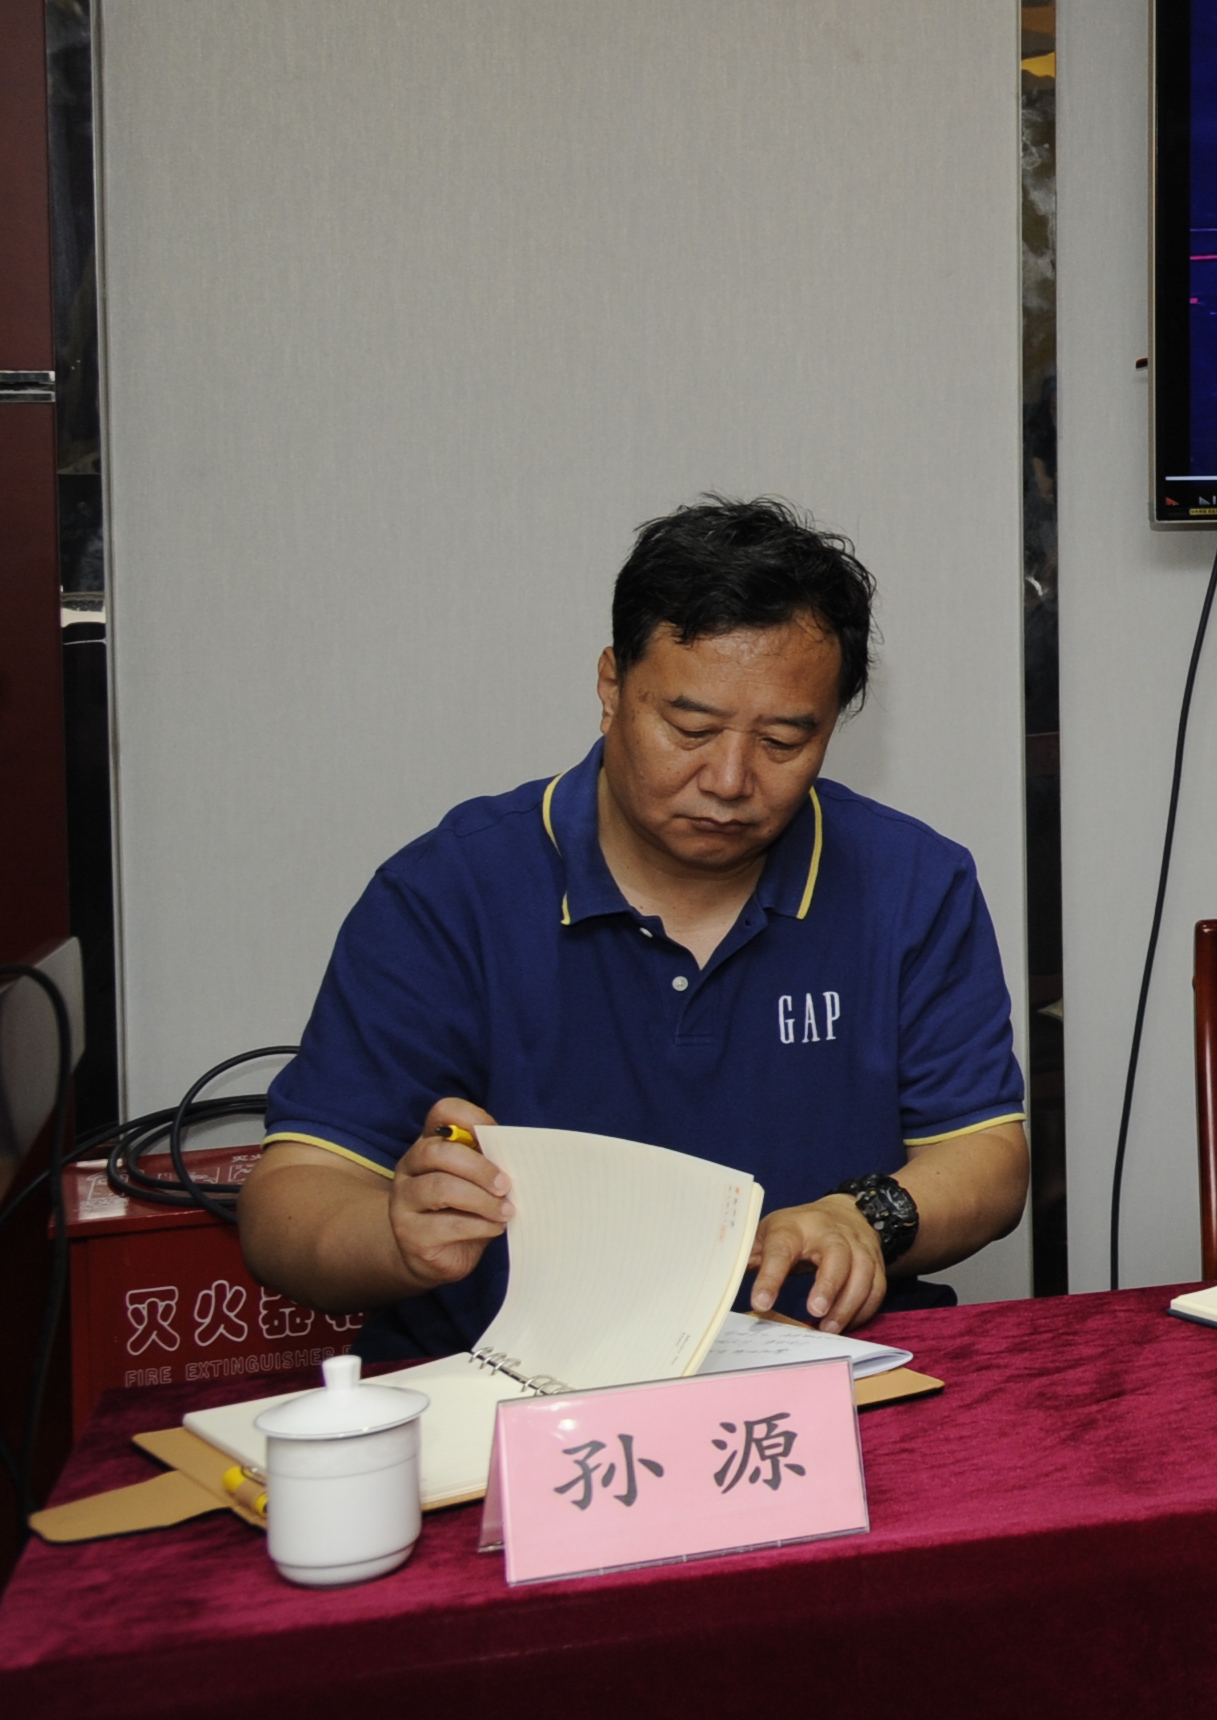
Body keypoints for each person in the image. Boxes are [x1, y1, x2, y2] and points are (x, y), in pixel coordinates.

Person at [239, 500, 1029, 1347]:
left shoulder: (910, 883)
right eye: (690, 729)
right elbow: (291, 1198)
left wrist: (862, 1215)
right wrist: (395, 1236)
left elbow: (987, 1155)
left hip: (828, 1371)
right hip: (519, 1385)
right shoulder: (450, 892)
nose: (729, 779)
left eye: (782, 741)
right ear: (611, 686)